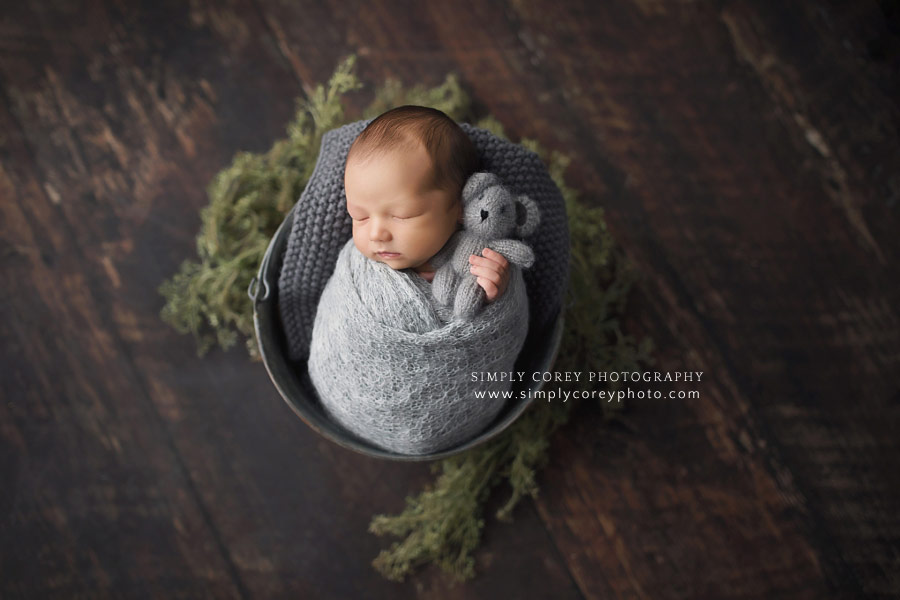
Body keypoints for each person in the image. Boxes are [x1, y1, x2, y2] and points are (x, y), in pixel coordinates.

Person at [343, 105, 510, 300]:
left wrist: (492, 293)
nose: (376, 234)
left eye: (402, 215)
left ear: (461, 207)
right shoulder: (357, 269)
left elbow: (502, 322)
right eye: (359, 216)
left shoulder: (476, 261)